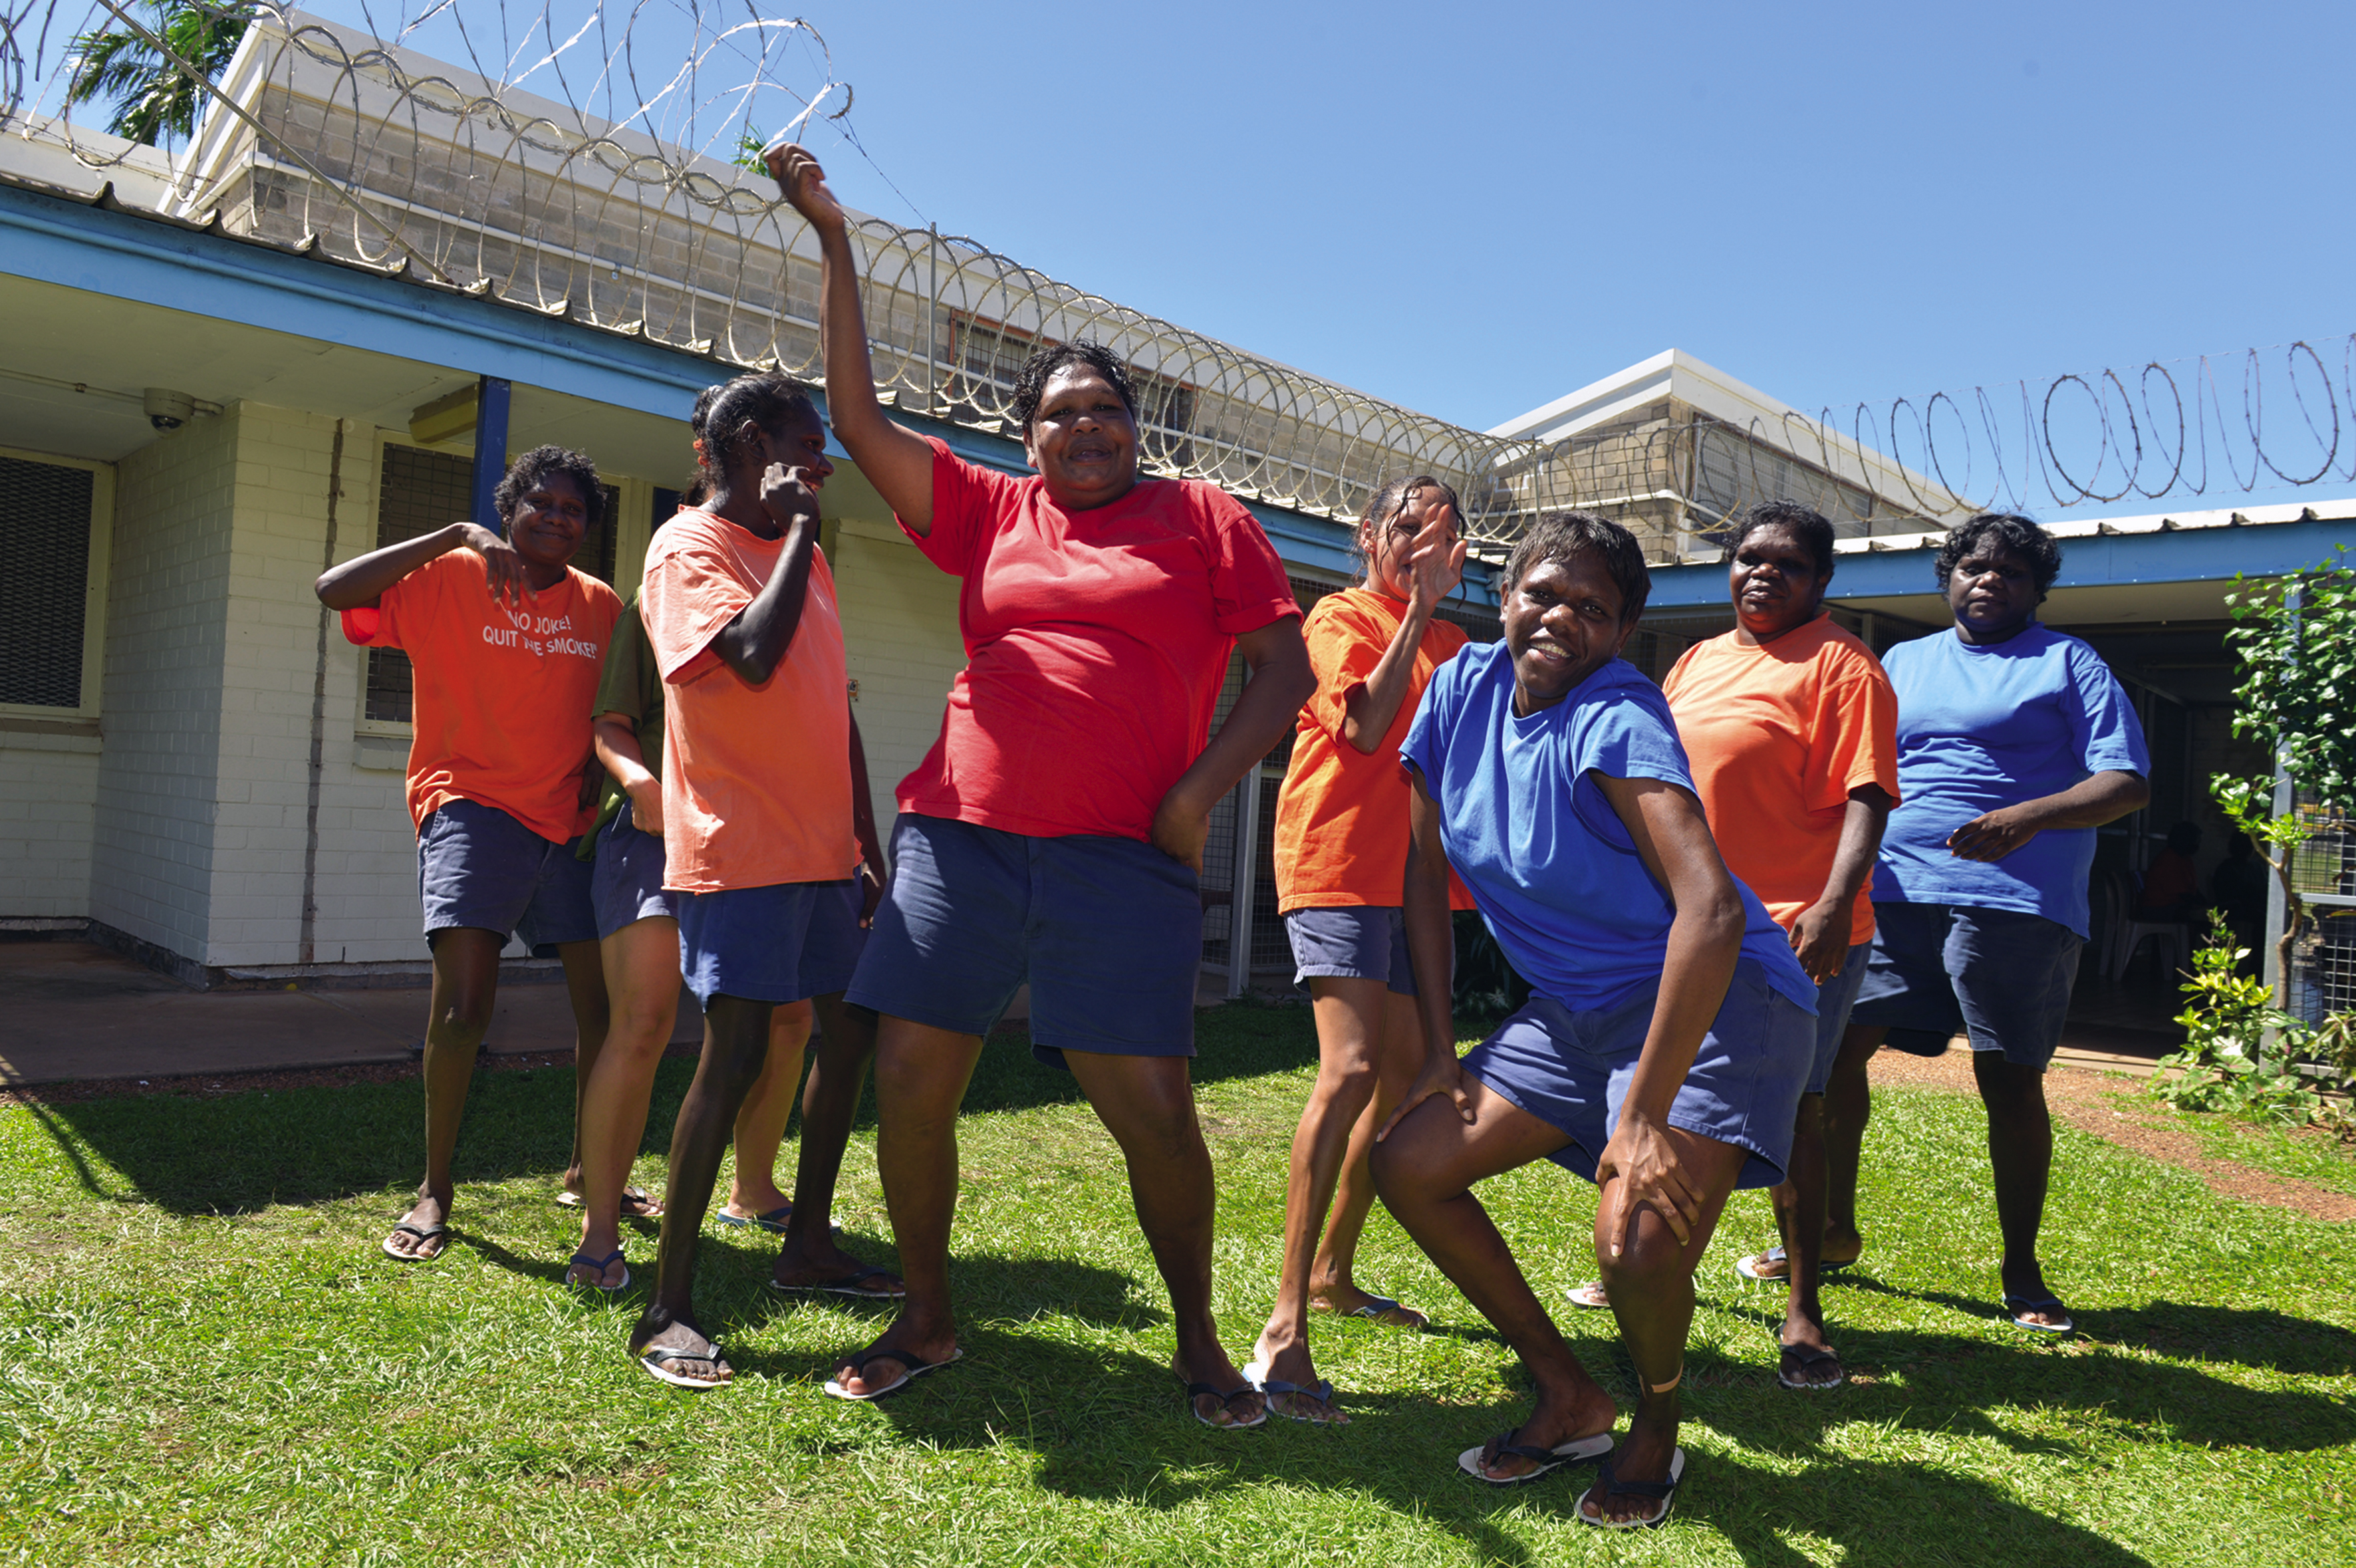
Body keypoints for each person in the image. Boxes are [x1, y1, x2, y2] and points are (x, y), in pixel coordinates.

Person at [773, 142, 1316, 1421]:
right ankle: (927, 1313)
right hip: (958, 836)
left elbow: (1281, 676)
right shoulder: (989, 511)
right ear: (1027, 436)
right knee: (910, 1081)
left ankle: (1193, 1335)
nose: (1083, 428)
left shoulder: (1203, 520)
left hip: (1120, 852)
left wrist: (1193, 801)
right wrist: (834, 241)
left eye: (1103, 409)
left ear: (1137, 425)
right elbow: (855, 422)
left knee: (1150, 1110)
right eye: (1057, 413)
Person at [1371, 510, 1819, 1528]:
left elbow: (1705, 910)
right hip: (1571, 1011)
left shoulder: (1615, 714)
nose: (1561, 619)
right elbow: (1418, 869)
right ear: (1505, 592)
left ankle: (1654, 1425)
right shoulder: (1458, 688)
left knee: (1634, 1247)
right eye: (1544, 592)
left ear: (1619, 635)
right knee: (1408, 1160)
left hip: (1713, 1002)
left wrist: (1643, 1116)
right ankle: (1567, 1393)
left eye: (1593, 609)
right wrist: (1439, 1047)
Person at [565, 388, 888, 1291]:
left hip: (822, 852)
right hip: (739, 848)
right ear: (750, 445)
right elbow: (747, 654)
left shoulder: (809, 557)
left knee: (846, 1035)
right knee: (735, 1050)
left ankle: (808, 1243)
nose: (822, 463)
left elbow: (832, 710)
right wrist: (793, 536)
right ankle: (669, 1300)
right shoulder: (684, 548)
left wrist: (865, 843)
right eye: (805, 444)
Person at [1821, 513, 2149, 1335]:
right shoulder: (1902, 661)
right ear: (1949, 578)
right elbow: (1864, 769)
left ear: (2037, 589)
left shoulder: (2070, 664)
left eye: (2009, 572)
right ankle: (1830, 1231)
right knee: (1835, 1057)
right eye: (1973, 567)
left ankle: (2023, 1270)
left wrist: (2029, 817)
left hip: (2015, 901)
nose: (1988, 581)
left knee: (2007, 1078)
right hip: (1894, 890)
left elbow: (2127, 781)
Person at [315, 446, 620, 1264]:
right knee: (463, 1010)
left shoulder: (603, 608)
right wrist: (454, 532)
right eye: (541, 504)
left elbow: (613, 712)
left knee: (607, 1013)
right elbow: (334, 591)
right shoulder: (453, 576)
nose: (556, 518)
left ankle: (591, 1166)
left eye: (573, 510)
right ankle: (434, 1188)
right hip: (469, 806)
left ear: (586, 529)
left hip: (567, 823)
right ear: (511, 508)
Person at [1246, 474, 1474, 1424]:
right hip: (1336, 863)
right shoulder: (1340, 614)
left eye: (1444, 534)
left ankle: (1336, 1272)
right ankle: (1283, 1324)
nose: (1423, 544)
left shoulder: (1460, 646)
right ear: (1369, 533)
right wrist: (1415, 606)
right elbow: (1367, 724)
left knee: (1414, 1080)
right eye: (1408, 527)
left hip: (1419, 884)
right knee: (1347, 1070)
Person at [2134, 821, 2204, 923]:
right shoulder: (2169, 859)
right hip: (2159, 908)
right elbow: (2183, 894)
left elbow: (2192, 891)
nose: (2197, 845)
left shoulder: (2185, 859)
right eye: (2196, 841)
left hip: (2173, 906)